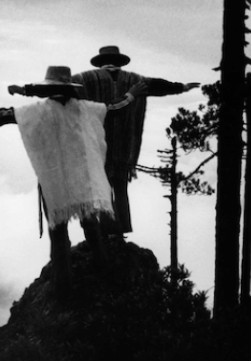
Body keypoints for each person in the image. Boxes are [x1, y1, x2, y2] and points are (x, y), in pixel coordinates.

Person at [0, 66, 147, 301]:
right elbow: (114, 109)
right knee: (90, 224)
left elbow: (4, 115)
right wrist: (131, 95)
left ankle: (64, 289)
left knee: (59, 234)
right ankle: (103, 269)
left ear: (49, 89)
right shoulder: (84, 110)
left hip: (54, 181)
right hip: (81, 179)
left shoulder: (38, 111)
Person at [72, 46, 200, 238]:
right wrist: (181, 87)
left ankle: (107, 228)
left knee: (102, 187)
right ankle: (121, 228)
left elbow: (65, 86)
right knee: (121, 187)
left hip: (98, 145)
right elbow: (159, 86)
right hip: (125, 146)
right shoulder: (134, 80)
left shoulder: (87, 79)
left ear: (100, 62)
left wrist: (29, 90)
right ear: (120, 62)